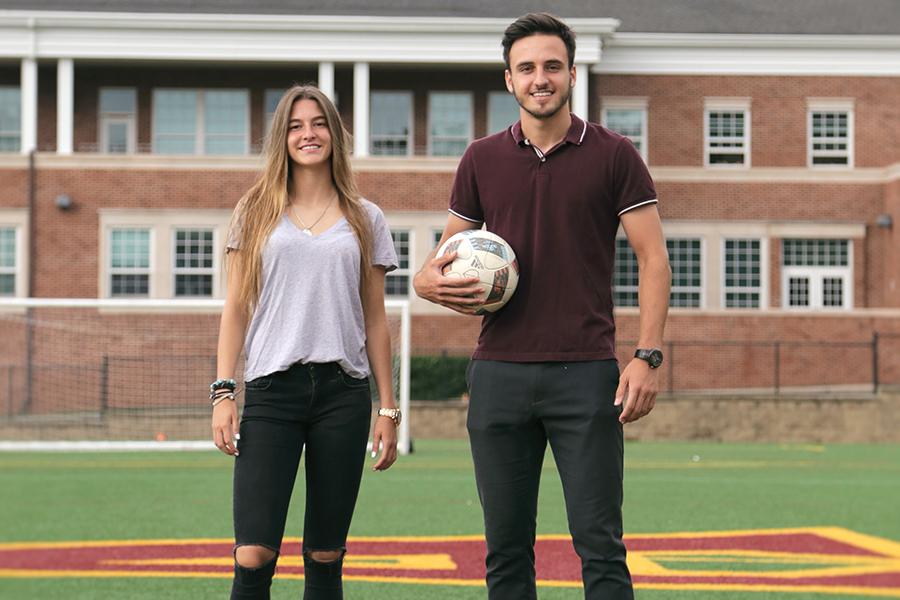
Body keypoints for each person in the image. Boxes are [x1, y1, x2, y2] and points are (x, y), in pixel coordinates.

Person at [413, 13, 671, 600]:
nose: (540, 78)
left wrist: (647, 357)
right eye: (526, 67)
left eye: (552, 66)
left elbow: (654, 261)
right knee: (505, 554)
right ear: (509, 80)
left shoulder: (614, 154)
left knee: (600, 548)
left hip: (585, 375)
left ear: (572, 74)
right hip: (498, 374)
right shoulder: (480, 159)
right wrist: (424, 286)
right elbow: (441, 263)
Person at [211, 84, 401, 600]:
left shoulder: (366, 217)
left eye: (318, 123)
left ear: (335, 134)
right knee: (253, 554)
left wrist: (388, 407)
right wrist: (224, 393)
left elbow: (376, 318)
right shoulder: (254, 211)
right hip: (273, 392)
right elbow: (236, 309)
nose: (308, 134)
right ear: (282, 138)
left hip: (343, 394)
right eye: (295, 126)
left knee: (325, 554)